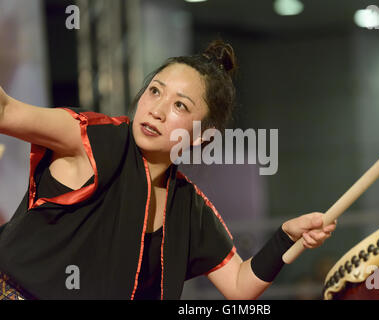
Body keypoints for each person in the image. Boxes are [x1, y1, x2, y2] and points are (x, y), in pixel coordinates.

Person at [0, 40, 336, 300]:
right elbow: (6, 111)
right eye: (155, 90)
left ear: (204, 136)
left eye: (179, 105)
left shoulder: (188, 208)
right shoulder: (91, 137)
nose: (157, 110)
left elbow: (238, 285)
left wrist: (286, 239)